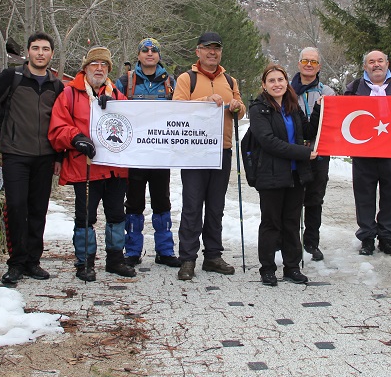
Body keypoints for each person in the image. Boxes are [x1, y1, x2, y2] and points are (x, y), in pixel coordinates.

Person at [0, 32, 63, 286]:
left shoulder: (56, 86)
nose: (40, 53)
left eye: (45, 49)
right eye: (35, 48)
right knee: (16, 206)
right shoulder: (11, 77)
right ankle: (15, 263)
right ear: (27, 52)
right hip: (15, 153)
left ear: (51, 54)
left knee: (39, 209)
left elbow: (61, 123)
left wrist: (59, 156)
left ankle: (32, 262)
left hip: (45, 157)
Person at [48, 46, 137, 281]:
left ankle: (115, 259)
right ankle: (84, 261)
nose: (99, 69)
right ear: (85, 68)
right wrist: (75, 137)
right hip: (85, 166)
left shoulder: (118, 96)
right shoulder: (69, 94)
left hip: (115, 169)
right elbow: (57, 128)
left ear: (108, 70)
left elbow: (134, 126)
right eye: (94, 64)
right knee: (85, 216)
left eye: (104, 65)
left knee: (117, 214)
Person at [172, 32, 245, 281]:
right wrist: (205, 100)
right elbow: (177, 109)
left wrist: (237, 107)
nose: (212, 52)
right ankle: (188, 259)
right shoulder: (187, 78)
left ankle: (213, 256)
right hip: (194, 151)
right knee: (192, 206)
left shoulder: (230, 80)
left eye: (217, 48)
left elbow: (240, 109)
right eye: (207, 48)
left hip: (221, 150)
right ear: (198, 52)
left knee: (216, 207)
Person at [249, 64, 320, 286]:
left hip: (295, 174)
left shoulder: (292, 106)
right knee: (271, 223)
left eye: (280, 80)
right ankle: (267, 268)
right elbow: (269, 142)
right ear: (264, 85)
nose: (277, 84)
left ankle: (291, 266)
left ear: (286, 82)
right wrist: (303, 153)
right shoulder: (258, 109)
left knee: (291, 222)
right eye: (272, 80)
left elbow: (307, 132)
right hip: (270, 174)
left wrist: (319, 110)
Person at [115, 38, 181, 268]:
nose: (150, 53)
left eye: (154, 50)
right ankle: (132, 251)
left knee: (162, 202)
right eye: (145, 50)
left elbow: (184, 112)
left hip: (161, 154)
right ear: (139, 55)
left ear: (159, 55)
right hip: (135, 155)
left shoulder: (171, 82)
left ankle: (165, 251)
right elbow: (113, 109)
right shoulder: (126, 81)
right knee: (133, 204)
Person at [343, 50, 391, 257]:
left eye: (380, 61)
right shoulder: (354, 88)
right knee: (364, 196)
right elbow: (344, 115)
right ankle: (367, 237)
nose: (376, 65)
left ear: (387, 63)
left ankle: (386, 237)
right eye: (371, 62)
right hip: (363, 152)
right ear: (365, 66)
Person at [290, 47, 335, 261]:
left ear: (319, 67)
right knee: (291, 197)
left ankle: (311, 242)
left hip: (319, 151)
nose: (309, 65)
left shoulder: (327, 92)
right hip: (293, 151)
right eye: (305, 61)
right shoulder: (287, 89)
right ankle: (289, 241)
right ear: (298, 64)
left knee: (315, 199)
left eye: (314, 62)